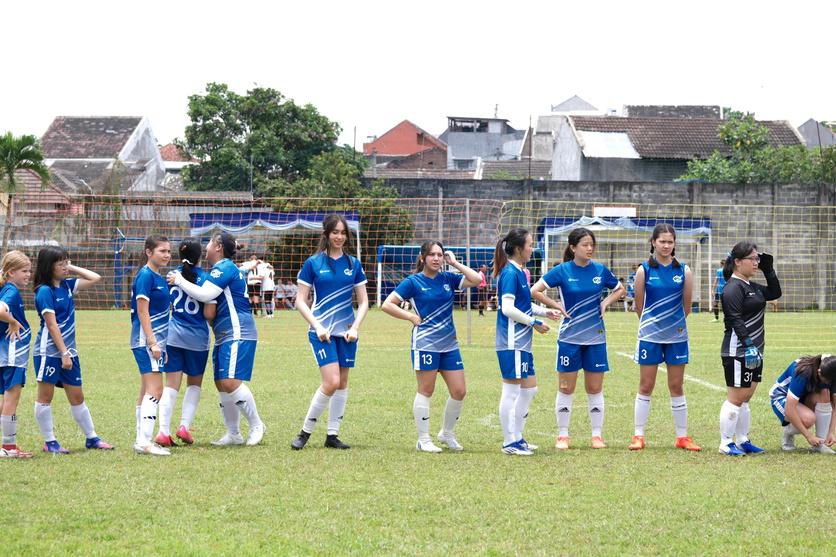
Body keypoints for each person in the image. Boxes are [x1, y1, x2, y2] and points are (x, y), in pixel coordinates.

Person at [381, 241, 482, 452]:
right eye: (432, 255)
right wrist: (410, 316)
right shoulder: (413, 282)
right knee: (426, 390)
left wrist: (455, 263)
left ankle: (446, 433)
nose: (436, 258)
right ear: (423, 257)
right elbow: (387, 304)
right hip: (425, 343)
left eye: (440, 255)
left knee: (459, 391)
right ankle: (423, 439)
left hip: (449, 345)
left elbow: (477, 279)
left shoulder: (449, 278)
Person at [168, 232, 266, 446]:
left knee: (230, 381)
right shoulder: (223, 269)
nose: (207, 247)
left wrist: (179, 280)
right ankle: (233, 433)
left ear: (219, 246)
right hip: (223, 334)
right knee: (221, 383)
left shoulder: (224, 267)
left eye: (210, 243)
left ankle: (257, 425)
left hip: (237, 331)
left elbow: (205, 295)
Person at [531, 227, 624, 450]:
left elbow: (620, 289)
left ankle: (596, 435)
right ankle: (563, 435)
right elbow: (535, 290)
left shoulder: (600, 270)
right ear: (573, 248)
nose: (590, 248)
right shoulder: (562, 270)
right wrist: (556, 305)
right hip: (569, 338)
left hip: (596, 339)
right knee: (566, 387)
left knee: (595, 387)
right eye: (585, 245)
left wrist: (605, 302)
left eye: (592, 244)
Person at [291, 215, 369, 450]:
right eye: (335, 232)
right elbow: (300, 301)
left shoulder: (353, 264)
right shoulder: (313, 263)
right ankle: (304, 433)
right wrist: (317, 326)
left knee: (342, 382)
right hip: (321, 332)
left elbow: (364, 301)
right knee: (332, 381)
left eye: (343, 232)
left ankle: (332, 436)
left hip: (346, 334)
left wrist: (355, 327)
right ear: (326, 234)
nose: (339, 237)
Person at [33, 246, 113, 454]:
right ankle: (50, 442)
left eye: (65, 262)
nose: (64, 266)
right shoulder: (44, 291)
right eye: (60, 263)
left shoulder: (67, 285)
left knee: (77, 396)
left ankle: (92, 438)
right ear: (48, 266)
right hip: (49, 353)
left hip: (69, 352)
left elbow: (95, 278)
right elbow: (52, 325)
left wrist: (71, 266)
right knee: (45, 397)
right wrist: (64, 353)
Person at [627, 224, 700, 452]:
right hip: (650, 336)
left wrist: (672, 325)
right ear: (653, 242)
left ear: (674, 244)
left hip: (677, 337)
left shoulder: (684, 271)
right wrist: (653, 325)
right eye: (662, 241)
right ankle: (638, 435)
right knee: (646, 385)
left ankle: (682, 437)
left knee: (676, 385)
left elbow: (686, 307)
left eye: (670, 242)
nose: (666, 245)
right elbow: (640, 306)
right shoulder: (644, 270)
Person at [494, 228, 561, 456]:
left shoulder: (520, 272)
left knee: (530, 389)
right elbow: (507, 308)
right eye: (530, 245)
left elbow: (522, 304)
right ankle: (509, 442)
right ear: (518, 248)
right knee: (511, 391)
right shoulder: (509, 273)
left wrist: (545, 311)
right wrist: (534, 322)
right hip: (511, 342)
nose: (533, 249)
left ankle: (518, 437)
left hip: (522, 343)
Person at [718, 241, 781, 456]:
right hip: (739, 350)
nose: (756, 263)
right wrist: (748, 345)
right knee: (736, 398)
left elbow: (774, 292)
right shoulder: (733, 287)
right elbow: (734, 319)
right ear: (737, 262)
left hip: (755, 350)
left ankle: (743, 440)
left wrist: (769, 271)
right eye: (752, 259)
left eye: (757, 259)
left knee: (746, 398)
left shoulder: (751, 286)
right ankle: (726, 443)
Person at [155, 238, 212, 447]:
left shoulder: (171, 275)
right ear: (200, 256)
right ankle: (184, 427)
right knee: (194, 384)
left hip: (173, 336)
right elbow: (208, 313)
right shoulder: (206, 279)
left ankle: (163, 432)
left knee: (171, 385)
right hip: (197, 339)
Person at [130, 236, 174, 456]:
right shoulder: (146, 276)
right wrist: (153, 342)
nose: (167, 255)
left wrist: (161, 346)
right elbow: (142, 311)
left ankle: (140, 439)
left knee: (146, 390)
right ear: (149, 252)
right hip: (145, 341)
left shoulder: (158, 277)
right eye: (162, 251)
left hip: (155, 342)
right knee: (156, 390)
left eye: (169, 251)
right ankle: (145, 441)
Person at [0, 251, 34, 458]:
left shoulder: (5, 287)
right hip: (12, 354)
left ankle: (7, 446)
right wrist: (13, 321)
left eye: (29, 270)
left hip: (5, 354)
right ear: (11, 272)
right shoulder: (11, 291)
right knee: (12, 398)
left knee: (5, 399)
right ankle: (9, 447)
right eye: (24, 271)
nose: (29, 275)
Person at [769, 355, 835, 454]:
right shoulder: (803, 373)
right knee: (808, 419)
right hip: (781, 397)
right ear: (819, 372)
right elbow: (789, 409)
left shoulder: (832, 371)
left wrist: (831, 432)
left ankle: (820, 444)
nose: (828, 383)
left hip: (801, 397)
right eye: (826, 381)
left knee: (825, 392)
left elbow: (835, 406)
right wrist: (809, 436)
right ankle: (788, 431)